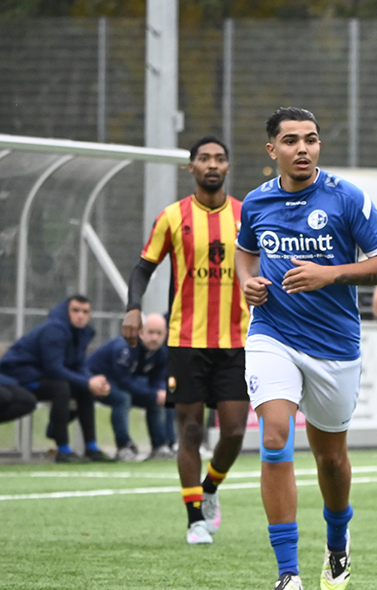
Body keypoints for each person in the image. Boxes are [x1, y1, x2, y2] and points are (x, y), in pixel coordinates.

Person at [236, 107, 377, 590]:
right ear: (272, 150)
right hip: (272, 334)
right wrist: (247, 282)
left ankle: (337, 540)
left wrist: (330, 274)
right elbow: (245, 251)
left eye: (310, 139)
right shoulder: (256, 201)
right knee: (274, 436)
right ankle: (287, 572)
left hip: (334, 346)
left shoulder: (346, 197)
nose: (302, 148)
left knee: (330, 458)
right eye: (291, 140)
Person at [123, 136, 250, 545]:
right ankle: (195, 518)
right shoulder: (173, 216)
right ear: (190, 167)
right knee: (191, 430)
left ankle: (210, 486)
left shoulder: (247, 215)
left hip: (237, 340)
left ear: (227, 167)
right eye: (204, 158)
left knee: (234, 432)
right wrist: (133, 307)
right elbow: (143, 268)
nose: (212, 164)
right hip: (186, 340)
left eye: (220, 159)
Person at [0, 296, 113, 462]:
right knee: (61, 387)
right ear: (66, 311)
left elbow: (80, 365)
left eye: (85, 311)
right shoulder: (54, 329)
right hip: (20, 378)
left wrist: (93, 381)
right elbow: (53, 368)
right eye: (75, 310)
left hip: (44, 376)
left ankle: (91, 448)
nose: (80, 315)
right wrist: (88, 381)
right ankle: (63, 449)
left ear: (90, 315)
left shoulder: (82, 333)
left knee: (85, 390)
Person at [89, 314, 174, 460]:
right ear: (141, 332)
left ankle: (160, 446)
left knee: (157, 400)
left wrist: (159, 392)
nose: (154, 337)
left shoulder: (161, 353)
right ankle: (124, 447)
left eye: (159, 333)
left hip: (122, 381)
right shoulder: (125, 347)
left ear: (165, 334)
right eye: (150, 332)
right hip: (96, 379)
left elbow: (158, 379)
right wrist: (153, 394)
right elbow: (123, 381)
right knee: (123, 398)